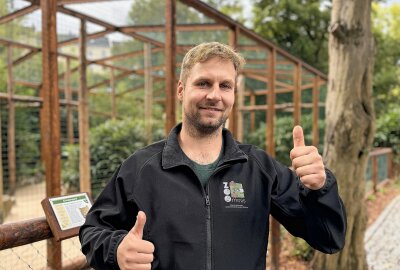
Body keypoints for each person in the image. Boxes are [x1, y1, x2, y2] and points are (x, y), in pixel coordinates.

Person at [79, 42, 346, 270]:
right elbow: (93, 231)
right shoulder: (141, 168)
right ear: (181, 90)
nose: (214, 95)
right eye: (203, 83)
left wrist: (320, 189)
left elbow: (328, 239)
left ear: (233, 95)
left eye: (225, 86)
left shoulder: (259, 168)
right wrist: (117, 251)